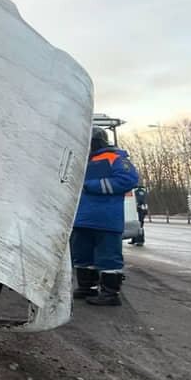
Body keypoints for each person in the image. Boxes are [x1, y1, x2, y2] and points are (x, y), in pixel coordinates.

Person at [71, 127, 139, 306]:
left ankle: (110, 294)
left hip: (105, 219)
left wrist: (93, 186)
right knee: (82, 256)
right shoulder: (81, 159)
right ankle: (87, 287)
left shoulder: (115, 158)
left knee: (108, 257)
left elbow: (128, 180)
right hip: (82, 219)